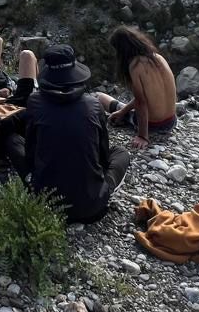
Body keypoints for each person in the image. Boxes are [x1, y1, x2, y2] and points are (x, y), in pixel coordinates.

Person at [24, 44, 130, 223]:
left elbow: (30, 150)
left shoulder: (34, 102)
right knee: (121, 152)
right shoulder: (93, 104)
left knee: (18, 144)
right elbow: (102, 154)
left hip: (46, 204)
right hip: (91, 207)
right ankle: (101, 189)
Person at [95, 26, 177, 149]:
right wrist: (123, 111)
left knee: (99, 96)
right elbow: (147, 97)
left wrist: (143, 136)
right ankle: (121, 112)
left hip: (154, 125)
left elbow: (141, 102)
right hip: (171, 121)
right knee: (120, 109)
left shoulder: (136, 65)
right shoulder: (158, 57)